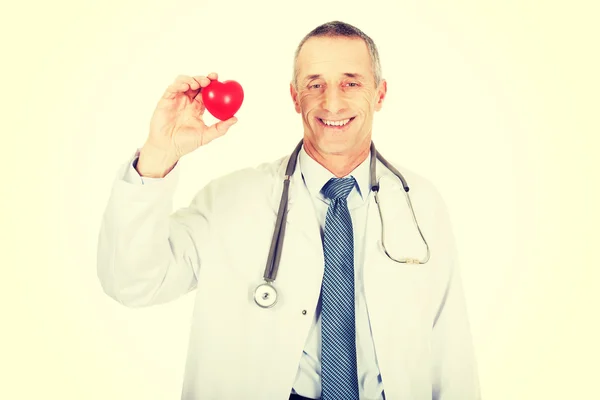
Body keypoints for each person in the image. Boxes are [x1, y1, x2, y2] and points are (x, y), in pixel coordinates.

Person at [97, 20, 481, 400]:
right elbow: (132, 283)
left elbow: (451, 354)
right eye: (315, 85)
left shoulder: (421, 205)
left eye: (351, 82)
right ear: (295, 97)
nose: (332, 102)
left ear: (379, 94)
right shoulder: (230, 200)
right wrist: (158, 155)